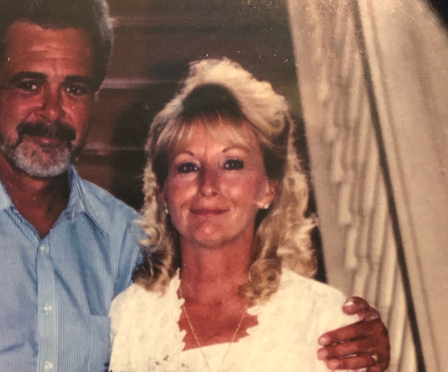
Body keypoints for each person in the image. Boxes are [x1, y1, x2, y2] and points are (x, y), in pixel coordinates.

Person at [0, 0, 389, 372]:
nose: (52, 111)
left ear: (94, 98)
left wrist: (363, 340)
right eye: (29, 84)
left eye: (74, 88)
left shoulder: (129, 242)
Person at [109, 58, 385, 371]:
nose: (208, 186)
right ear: (163, 193)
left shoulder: (324, 319)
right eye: (187, 166)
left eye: (232, 164)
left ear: (268, 188)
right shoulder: (129, 316)